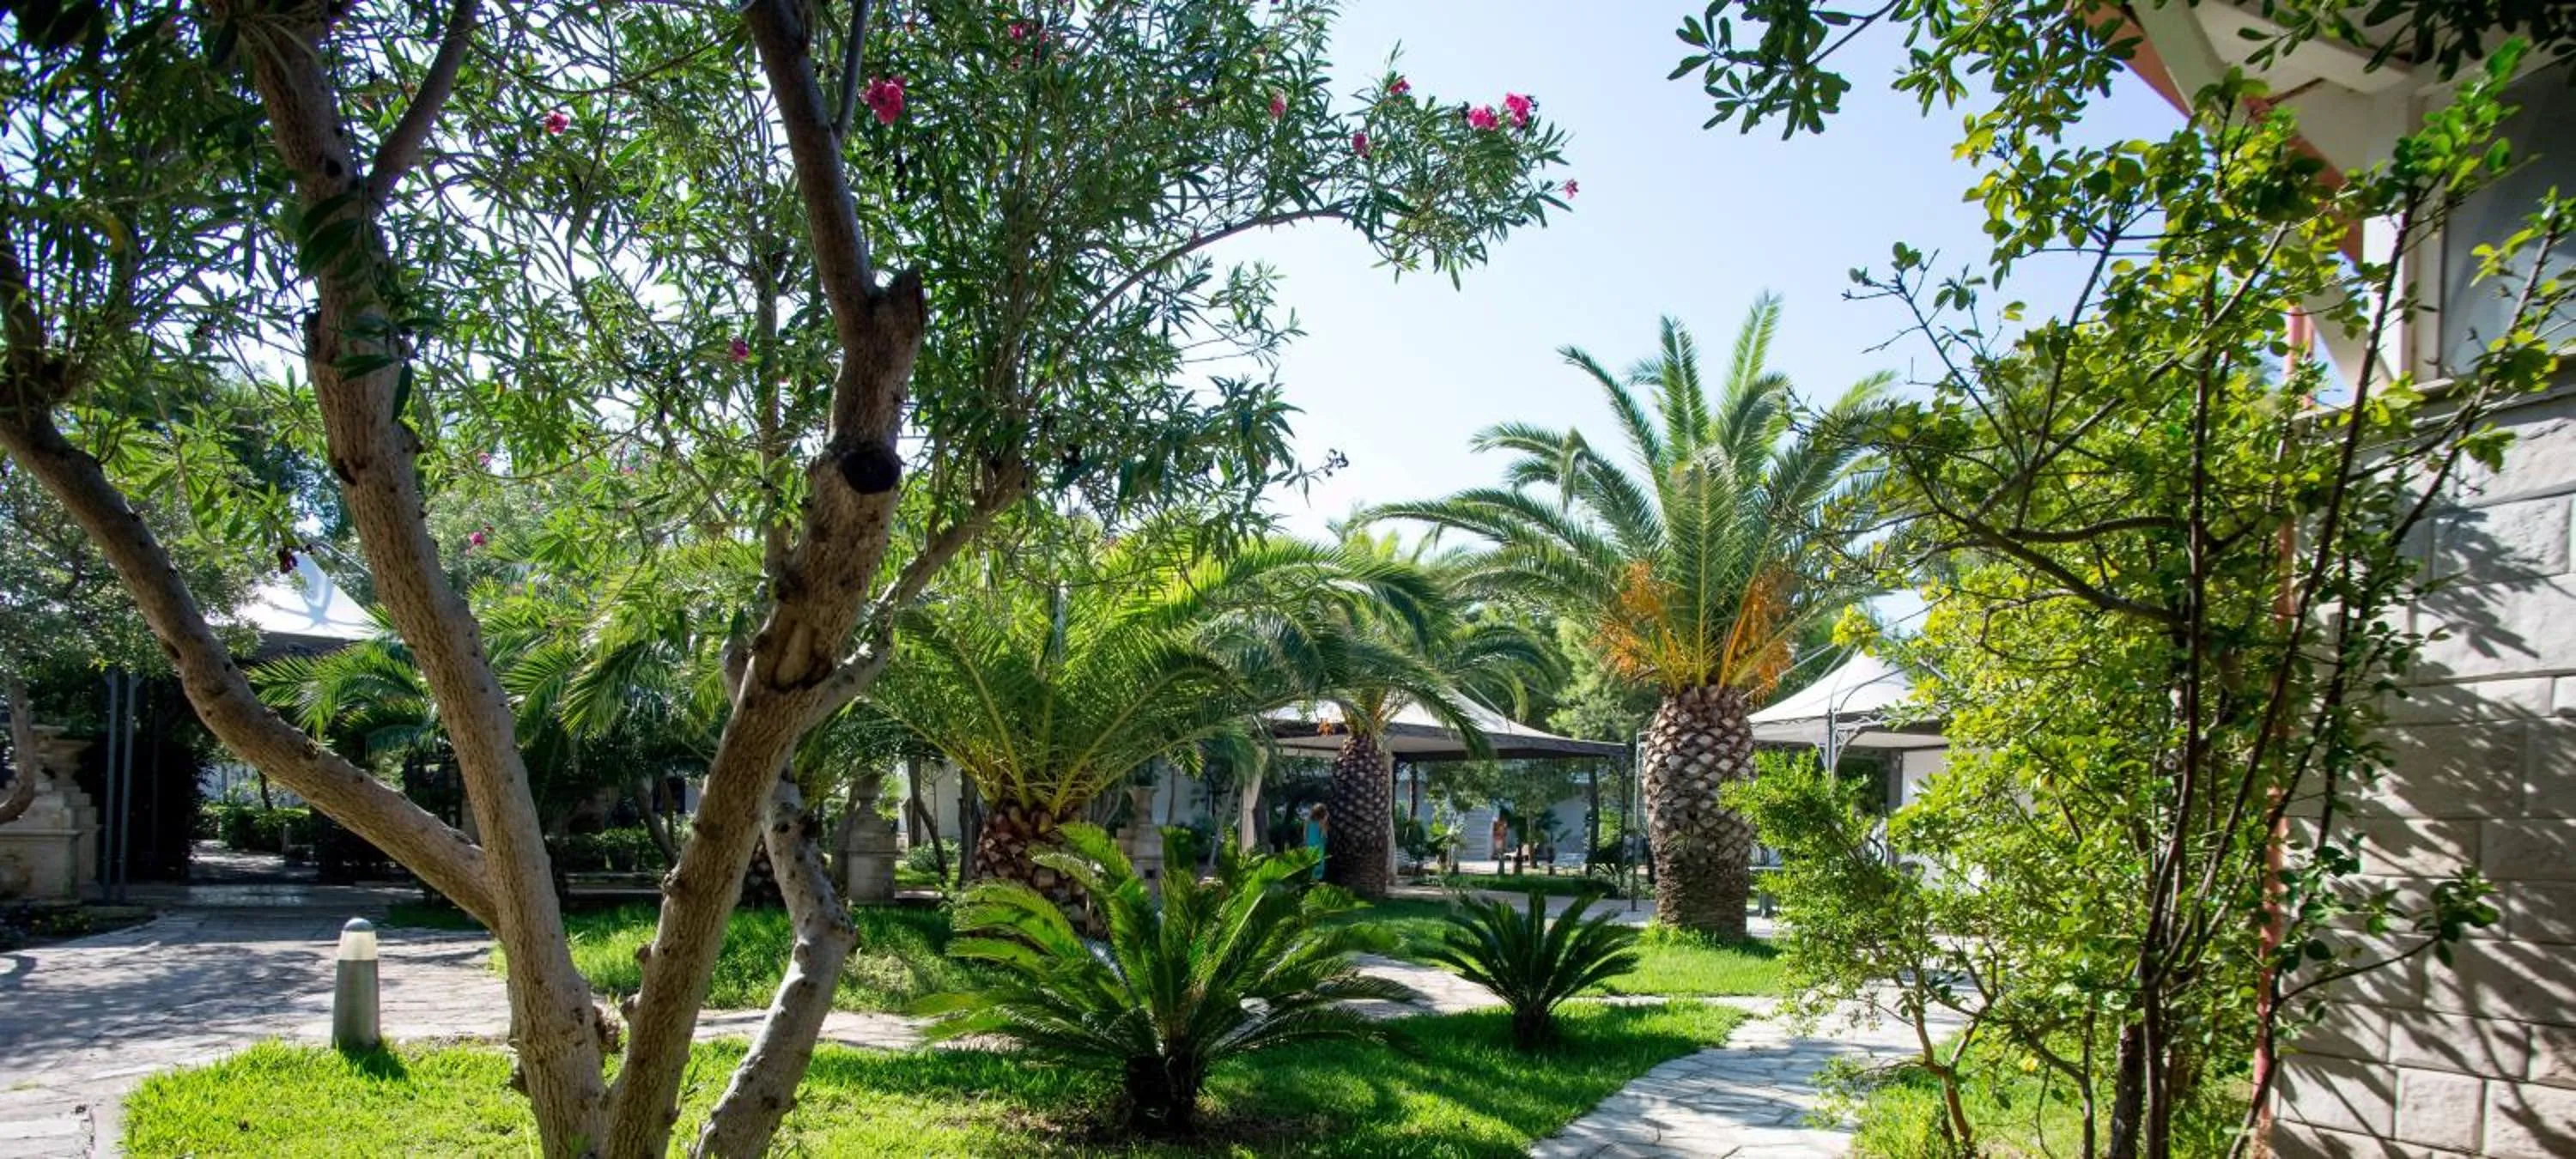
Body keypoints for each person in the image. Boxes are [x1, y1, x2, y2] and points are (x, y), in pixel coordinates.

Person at [1303, 803, 1327, 880]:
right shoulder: (1321, 822)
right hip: (1319, 845)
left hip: (1309, 844)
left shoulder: (1307, 821)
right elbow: (1324, 835)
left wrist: (1305, 844)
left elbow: (1305, 834)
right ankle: (1317, 881)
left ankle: (1311, 880)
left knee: (1310, 863)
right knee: (1319, 865)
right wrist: (1325, 822)